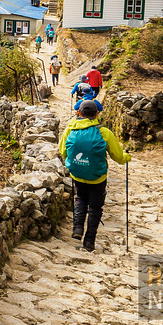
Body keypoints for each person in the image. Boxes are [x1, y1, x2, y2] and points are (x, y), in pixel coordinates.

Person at [58, 100, 131, 251]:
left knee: (80, 198)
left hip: (77, 174)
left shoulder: (70, 129)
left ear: (79, 113)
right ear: (97, 114)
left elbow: (63, 151)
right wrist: (126, 157)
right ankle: (89, 241)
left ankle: (77, 229)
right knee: (95, 207)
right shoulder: (104, 133)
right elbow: (117, 156)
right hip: (97, 177)